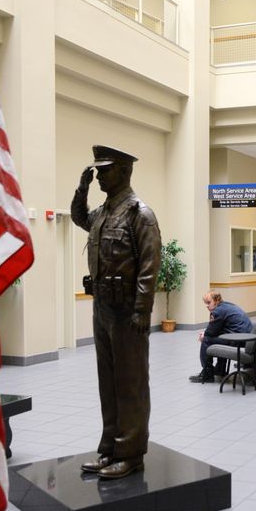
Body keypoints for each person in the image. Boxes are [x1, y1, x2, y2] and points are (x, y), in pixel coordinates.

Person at [71, 145, 161, 479]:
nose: (99, 177)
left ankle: (131, 453)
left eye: (105, 170)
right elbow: (80, 218)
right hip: (103, 308)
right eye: (96, 170)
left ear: (124, 171)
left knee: (131, 383)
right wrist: (81, 190)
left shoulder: (140, 214)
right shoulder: (103, 213)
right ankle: (110, 448)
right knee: (107, 383)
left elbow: (150, 268)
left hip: (127, 312)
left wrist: (142, 310)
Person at [189, 291, 253, 382]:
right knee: (219, 338)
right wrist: (207, 332)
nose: (206, 306)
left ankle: (207, 373)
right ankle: (220, 368)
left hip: (238, 339)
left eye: (208, 302)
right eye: (205, 303)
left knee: (206, 340)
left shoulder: (218, 311)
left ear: (216, 300)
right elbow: (216, 329)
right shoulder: (227, 306)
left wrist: (204, 334)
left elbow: (211, 332)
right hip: (246, 337)